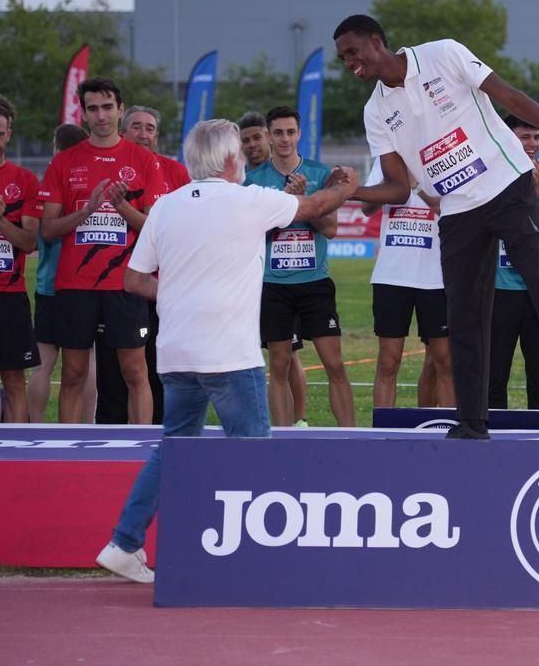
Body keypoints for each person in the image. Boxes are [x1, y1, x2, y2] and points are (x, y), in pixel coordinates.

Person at [95, 118, 358, 583]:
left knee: (173, 448)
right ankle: (259, 560)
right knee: (255, 454)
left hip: (176, 353)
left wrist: (177, 292)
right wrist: (346, 185)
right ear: (232, 159)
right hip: (230, 355)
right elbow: (316, 205)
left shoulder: (166, 207)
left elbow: (134, 281)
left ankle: (124, 542)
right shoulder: (249, 200)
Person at [335, 14, 539, 439]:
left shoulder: (443, 53)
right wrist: (347, 192)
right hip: (457, 212)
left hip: (508, 186)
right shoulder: (375, 110)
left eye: (353, 52)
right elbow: (395, 187)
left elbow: (514, 99)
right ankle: (472, 421)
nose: (349, 63)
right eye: (342, 58)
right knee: (463, 317)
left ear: (377, 41)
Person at [39, 77, 165, 424]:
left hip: (125, 285)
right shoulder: (64, 161)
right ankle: (68, 451)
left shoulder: (143, 160)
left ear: (120, 110)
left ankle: (141, 448)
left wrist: (120, 206)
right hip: (75, 285)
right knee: (74, 374)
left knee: (135, 372)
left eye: (107, 107)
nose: (101, 115)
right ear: (83, 113)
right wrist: (86, 211)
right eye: (93, 108)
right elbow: (48, 230)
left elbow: (156, 231)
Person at [245, 105, 355, 427]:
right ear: (268, 136)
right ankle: (281, 438)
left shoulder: (321, 174)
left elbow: (331, 229)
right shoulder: (253, 180)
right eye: (277, 132)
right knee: (278, 365)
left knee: (335, 365)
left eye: (290, 132)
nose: (284, 139)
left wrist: (304, 198)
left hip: (314, 283)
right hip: (274, 285)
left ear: (299, 134)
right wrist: (285, 202)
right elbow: (250, 232)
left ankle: (352, 438)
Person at [94, 105, 190, 425]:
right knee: (114, 368)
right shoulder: (109, 167)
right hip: (118, 283)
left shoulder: (175, 172)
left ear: (157, 135)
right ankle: (110, 429)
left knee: (159, 363)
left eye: (150, 128)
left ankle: (159, 428)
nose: (144, 134)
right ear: (123, 129)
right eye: (137, 126)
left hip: (163, 285)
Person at [362, 159, 453, 409]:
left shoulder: (440, 158)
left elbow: (446, 207)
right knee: (388, 362)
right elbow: (367, 207)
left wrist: (416, 184)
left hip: (435, 278)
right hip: (392, 276)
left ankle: (446, 433)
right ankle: (383, 436)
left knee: (443, 362)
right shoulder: (385, 162)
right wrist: (392, 180)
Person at [489, 115, 539, 410]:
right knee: (496, 373)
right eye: (525, 137)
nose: (533, 144)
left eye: (536, 138)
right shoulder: (490, 170)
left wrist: (534, 190)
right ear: (507, 138)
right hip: (500, 287)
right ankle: (493, 437)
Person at [239, 110, 308, 424]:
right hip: (247, 281)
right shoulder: (243, 182)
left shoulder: (290, 175)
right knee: (253, 353)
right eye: (246, 141)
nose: (252, 145)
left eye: (256, 138)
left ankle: (299, 421)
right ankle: (261, 418)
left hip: (281, 282)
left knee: (287, 355)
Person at [28, 124, 97, 423]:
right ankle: (87, 423)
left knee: (44, 363)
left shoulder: (50, 183)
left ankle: (35, 424)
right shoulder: (82, 184)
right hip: (80, 285)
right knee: (88, 358)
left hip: (48, 286)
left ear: (56, 147)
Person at [0, 99, 40, 423]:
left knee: (14, 380)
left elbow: (30, 241)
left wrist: (0, 219)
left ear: (9, 134)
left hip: (9, 296)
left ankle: (19, 453)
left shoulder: (26, 181)